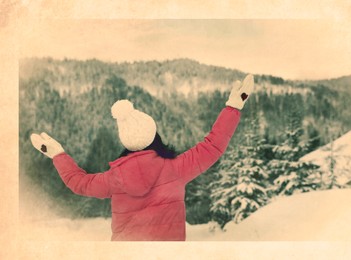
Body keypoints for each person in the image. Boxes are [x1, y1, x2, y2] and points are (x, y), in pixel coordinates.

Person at [30, 74, 254, 241]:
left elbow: (79, 182)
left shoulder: (114, 178)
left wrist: (58, 154)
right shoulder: (175, 169)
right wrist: (233, 107)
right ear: (154, 136)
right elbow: (212, 146)